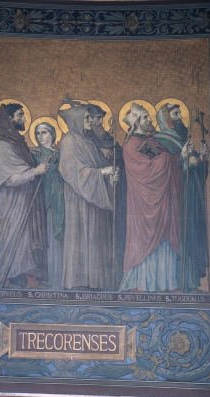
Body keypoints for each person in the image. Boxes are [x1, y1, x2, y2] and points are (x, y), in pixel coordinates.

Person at [120, 103, 188, 293]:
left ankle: (164, 283)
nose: (150, 120)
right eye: (145, 118)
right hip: (143, 203)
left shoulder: (148, 141)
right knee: (145, 239)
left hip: (160, 200)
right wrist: (173, 158)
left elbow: (163, 158)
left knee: (163, 237)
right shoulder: (133, 143)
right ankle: (143, 283)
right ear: (137, 122)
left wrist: (180, 157)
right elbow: (145, 169)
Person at [0, 103, 48, 289]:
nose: (24, 119)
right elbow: (10, 179)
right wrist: (35, 171)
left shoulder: (14, 142)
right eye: (20, 115)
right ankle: (2, 278)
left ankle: (27, 275)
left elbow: (17, 157)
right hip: (12, 200)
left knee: (25, 238)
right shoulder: (1, 147)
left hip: (23, 198)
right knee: (12, 237)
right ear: (9, 119)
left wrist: (30, 151)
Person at [58, 103, 118, 290]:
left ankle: (97, 281)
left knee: (96, 238)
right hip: (79, 199)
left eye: (89, 117)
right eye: (86, 118)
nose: (90, 121)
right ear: (76, 120)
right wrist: (101, 172)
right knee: (81, 236)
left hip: (96, 195)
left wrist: (109, 176)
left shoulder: (88, 140)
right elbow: (73, 172)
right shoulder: (69, 141)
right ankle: (79, 282)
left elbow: (98, 165)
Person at [155, 103, 210, 293]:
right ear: (166, 119)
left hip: (191, 196)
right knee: (182, 237)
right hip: (176, 198)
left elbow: (197, 171)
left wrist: (202, 159)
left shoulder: (183, 140)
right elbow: (161, 171)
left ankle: (191, 283)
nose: (180, 117)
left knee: (192, 235)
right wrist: (183, 161)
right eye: (175, 114)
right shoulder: (160, 141)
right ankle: (179, 282)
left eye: (180, 113)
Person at [87, 104, 126, 288]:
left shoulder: (107, 138)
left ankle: (113, 277)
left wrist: (114, 154)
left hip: (112, 189)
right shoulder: (86, 140)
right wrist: (100, 152)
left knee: (112, 234)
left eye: (101, 119)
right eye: (97, 118)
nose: (100, 122)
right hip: (93, 193)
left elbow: (120, 155)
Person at [32, 122, 64, 289]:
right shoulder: (35, 153)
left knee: (62, 239)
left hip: (63, 199)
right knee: (50, 238)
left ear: (52, 134)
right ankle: (52, 278)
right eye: (38, 133)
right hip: (47, 200)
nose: (40, 136)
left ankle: (63, 279)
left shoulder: (60, 152)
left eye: (44, 132)